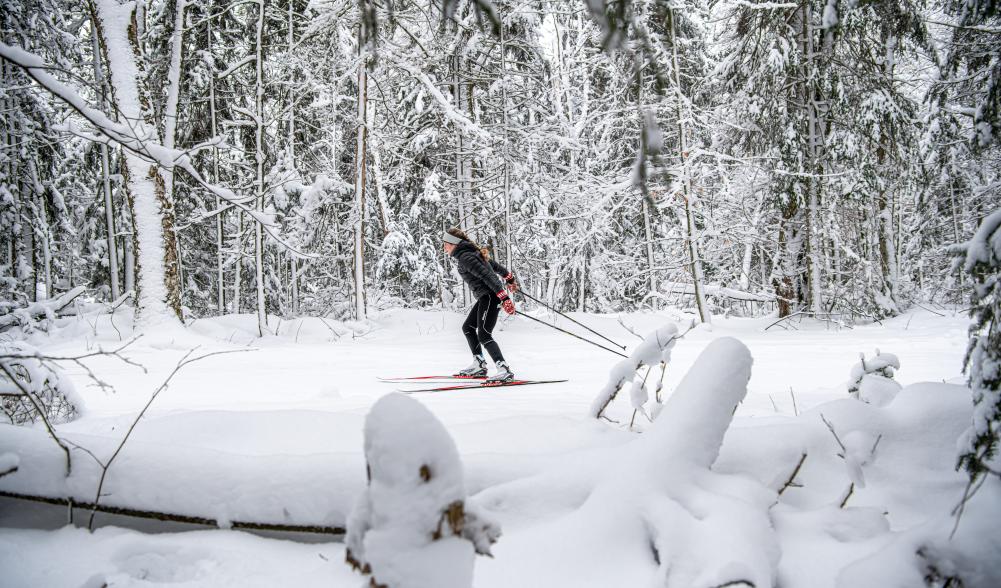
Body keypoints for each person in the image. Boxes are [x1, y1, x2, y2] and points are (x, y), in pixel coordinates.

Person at [443, 227, 518, 382]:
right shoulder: (469, 253)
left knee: (484, 334)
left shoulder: (465, 257)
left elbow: (488, 275)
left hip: (490, 296)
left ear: (455, 244)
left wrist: (504, 298)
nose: (445, 247)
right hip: (486, 297)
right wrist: (509, 278)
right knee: (468, 327)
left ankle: (503, 368)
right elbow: (494, 266)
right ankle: (479, 363)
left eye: (447, 244)